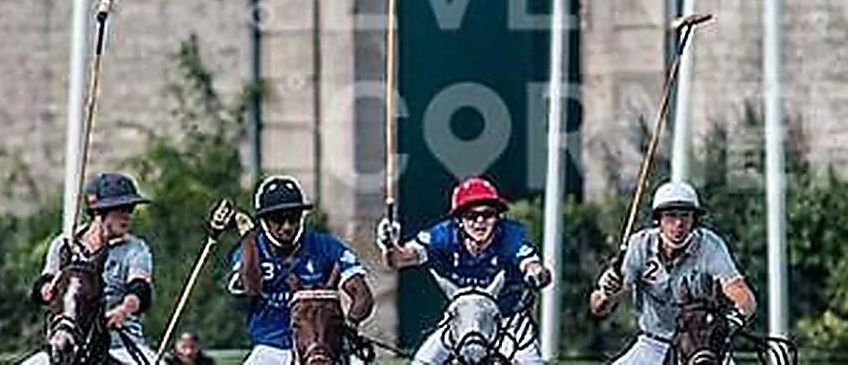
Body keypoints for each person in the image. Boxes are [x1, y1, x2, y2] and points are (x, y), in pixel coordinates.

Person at [378, 176, 551, 365]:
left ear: (498, 217)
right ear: (459, 219)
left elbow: (530, 264)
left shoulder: (510, 234)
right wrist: (388, 244)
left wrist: (537, 273)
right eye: (471, 215)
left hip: (507, 319)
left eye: (488, 214)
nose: (480, 222)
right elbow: (399, 260)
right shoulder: (442, 235)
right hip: (461, 319)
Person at [588, 180, 756, 365]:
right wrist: (607, 294)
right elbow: (598, 308)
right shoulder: (639, 245)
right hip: (652, 345)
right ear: (658, 220)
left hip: (700, 348)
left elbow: (743, 296)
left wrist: (728, 324)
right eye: (670, 216)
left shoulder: (710, 245)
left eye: (685, 215)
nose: (678, 224)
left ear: (695, 220)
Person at [227, 174, 373, 365]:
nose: (287, 226)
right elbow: (252, 289)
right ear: (263, 221)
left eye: (293, 217)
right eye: (278, 219)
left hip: (326, 347)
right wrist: (248, 239)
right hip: (273, 348)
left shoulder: (326, 246)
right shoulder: (248, 252)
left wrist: (350, 324)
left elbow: (362, 294)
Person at [19, 171, 155, 365]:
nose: (128, 215)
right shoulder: (64, 244)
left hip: (121, 343)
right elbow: (43, 283)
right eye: (121, 208)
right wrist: (46, 291)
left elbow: (140, 290)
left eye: (131, 208)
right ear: (99, 211)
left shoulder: (136, 249)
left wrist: (123, 310)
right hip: (64, 342)